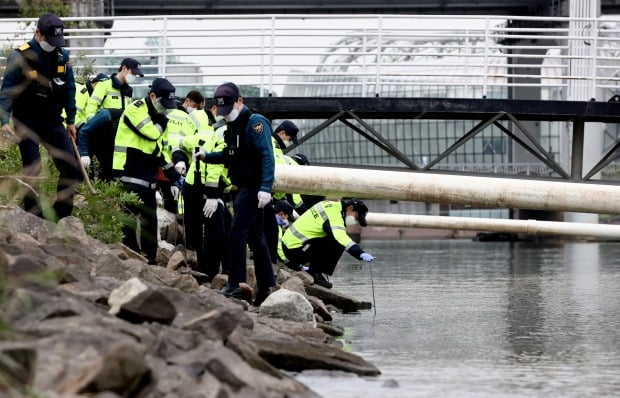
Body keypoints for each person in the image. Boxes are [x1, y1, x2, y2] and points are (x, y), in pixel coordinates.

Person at [195, 82, 276, 306]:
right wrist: (206, 156)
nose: (225, 115)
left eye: (228, 109)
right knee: (256, 237)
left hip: (253, 188)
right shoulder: (233, 126)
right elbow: (229, 155)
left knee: (236, 233)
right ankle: (267, 285)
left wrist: (265, 188)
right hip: (243, 187)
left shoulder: (255, 124)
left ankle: (236, 284)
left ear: (240, 102)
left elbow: (267, 156)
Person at [0, 13, 82, 221]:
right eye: (49, 40)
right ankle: (32, 216)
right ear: (38, 34)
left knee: (71, 169)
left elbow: (69, 89)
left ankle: (59, 217)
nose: (53, 45)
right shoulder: (20, 56)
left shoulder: (62, 56)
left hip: (52, 120)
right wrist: (4, 122)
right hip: (26, 120)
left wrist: (71, 119)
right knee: (33, 167)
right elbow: (7, 92)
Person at [112, 77, 182, 264]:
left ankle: (149, 259)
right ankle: (130, 257)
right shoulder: (136, 109)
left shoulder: (159, 118)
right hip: (128, 170)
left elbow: (160, 150)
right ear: (152, 96)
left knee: (150, 219)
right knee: (128, 217)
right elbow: (152, 134)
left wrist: (173, 176)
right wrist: (161, 122)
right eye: (164, 103)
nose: (166, 108)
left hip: (147, 173)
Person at [282, 198, 375, 289]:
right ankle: (315, 273)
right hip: (295, 250)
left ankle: (317, 272)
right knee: (337, 242)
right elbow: (341, 238)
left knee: (331, 238)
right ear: (350, 208)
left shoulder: (329, 205)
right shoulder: (334, 215)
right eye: (357, 217)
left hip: (291, 245)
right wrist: (360, 253)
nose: (355, 221)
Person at [79, 58, 143, 180]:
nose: (134, 76)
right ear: (124, 69)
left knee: (115, 170)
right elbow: (91, 106)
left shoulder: (128, 90)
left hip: (119, 135)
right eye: (133, 73)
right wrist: (93, 125)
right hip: (102, 134)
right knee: (103, 167)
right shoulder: (104, 85)